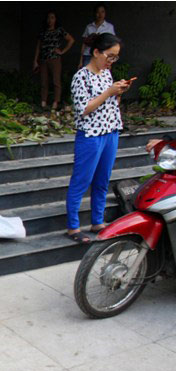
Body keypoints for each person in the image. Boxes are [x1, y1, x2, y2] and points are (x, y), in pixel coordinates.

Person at [66, 33, 132, 244]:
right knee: (81, 180)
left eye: (115, 57)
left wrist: (118, 91)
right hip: (90, 135)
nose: (111, 61)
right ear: (96, 52)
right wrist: (109, 92)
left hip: (110, 131)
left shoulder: (106, 74)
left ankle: (97, 221)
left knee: (102, 180)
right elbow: (84, 108)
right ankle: (73, 227)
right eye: (109, 56)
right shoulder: (81, 77)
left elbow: (110, 104)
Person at [33, 11, 75, 110]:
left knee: (56, 81)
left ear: (55, 19)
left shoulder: (59, 30)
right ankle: (43, 102)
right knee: (44, 81)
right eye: (48, 18)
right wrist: (35, 60)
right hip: (44, 58)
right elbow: (38, 47)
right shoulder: (43, 32)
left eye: (52, 18)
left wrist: (62, 51)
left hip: (55, 58)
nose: (50, 20)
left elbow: (71, 40)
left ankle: (56, 102)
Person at [78, 3, 116, 70]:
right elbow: (84, 44)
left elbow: (112, 45)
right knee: (87, 77)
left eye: (102, 11)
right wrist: (81, 60)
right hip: (88, 55)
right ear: (94, 13)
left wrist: (110, 61)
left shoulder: (109, 27)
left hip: (103, 56)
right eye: (97, 12)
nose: (100, 14)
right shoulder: (89, 27)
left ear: (105, 13)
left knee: (101, 77)